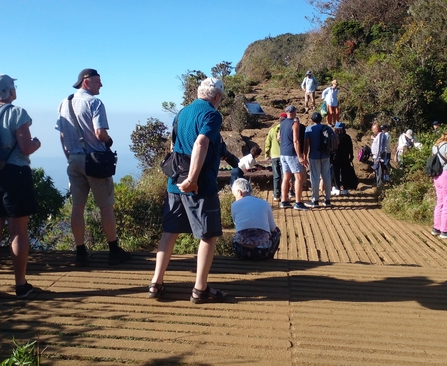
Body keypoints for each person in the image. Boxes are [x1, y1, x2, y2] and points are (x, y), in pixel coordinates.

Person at [148, 77, 228, 304]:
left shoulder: (181, 112)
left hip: (175, 182)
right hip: (198, 185)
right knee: (208, 235)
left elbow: (173, 146)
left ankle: (156, 282)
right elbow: (201, 143)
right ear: (217, 96)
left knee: (169, 232)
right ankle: (200, 289)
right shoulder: (212, 114)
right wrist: (192, 178)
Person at [0, 74, 41, 303]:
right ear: (11, 91)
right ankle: (21, 285)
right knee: (18, 231)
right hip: (14, 174)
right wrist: (37, 144)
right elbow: (25, 147)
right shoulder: (16, 112)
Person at [56, 68, 131, 266]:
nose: (101, 85)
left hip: (74, 159)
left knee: (77, 207)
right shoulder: (95, 103)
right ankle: (113, 250)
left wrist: (70, 156)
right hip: (95, 161)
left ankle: (80, 252)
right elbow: (100, 133)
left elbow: (62, 135)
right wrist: (109, 141)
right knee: (106, 206)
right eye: (98, 81)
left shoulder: (65, 103)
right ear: (86, 82)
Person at [230, 179, 281, 260]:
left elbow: (237, 226)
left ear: (239, 192)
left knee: (238, 235)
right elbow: (273, 228)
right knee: (277, 231)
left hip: (242, 252)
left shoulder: (234, 205)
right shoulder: (264, 203)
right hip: (263, 252)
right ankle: (270, 257)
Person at [278, 105, 308, 210]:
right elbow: (296, 140)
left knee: (286, 177)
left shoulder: (282, 123)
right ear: (295, 112)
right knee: (299, 177)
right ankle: (298, 202)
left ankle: (284, 200)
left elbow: (279, 138)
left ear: (286, 112)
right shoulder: (295, 123)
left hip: (283, 153)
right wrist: (300, 156)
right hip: (292, 153)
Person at [303, 112, 332, 207]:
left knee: (314, 178)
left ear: (312, 120)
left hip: (314, 156)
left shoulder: (309, 129)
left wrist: (305, 156)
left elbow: (306, 144)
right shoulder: (327, 128)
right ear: (321, 119)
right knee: (326, 177)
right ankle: (327, 200)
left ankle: (315, 200)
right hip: (326, 156)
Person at [264, 113, 287, 201]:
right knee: (284, 176)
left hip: (274, 156)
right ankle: (284, 194)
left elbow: (267, 143)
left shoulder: (272, 130)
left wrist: (267, 154)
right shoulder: (287, 129)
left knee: (276, 176)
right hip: (284, 156)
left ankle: (276, 195)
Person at [332, 122, 357, 195]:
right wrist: (351, 156)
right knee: (344, 173)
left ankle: (337, 188)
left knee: (336, 173)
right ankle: (345, 189)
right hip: (345, 157)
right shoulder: (347, 137)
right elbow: (350, 148)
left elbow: (332, 148)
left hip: (335, 158)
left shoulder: (334, 137)